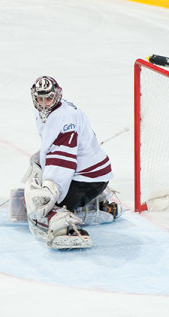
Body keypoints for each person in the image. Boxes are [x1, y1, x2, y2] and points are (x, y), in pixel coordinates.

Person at [22, 76, 120, 250]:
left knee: (46, 206)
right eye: (40, 99)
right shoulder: (57, 110)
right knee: (40, 175)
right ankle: (102, 203)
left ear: (57, 95)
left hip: (88, 181)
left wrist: (51, 192)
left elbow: (63, 162)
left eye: (48, 98)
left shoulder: (64, 118)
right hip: (95, 173)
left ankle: (77, 224)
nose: (44, 103)